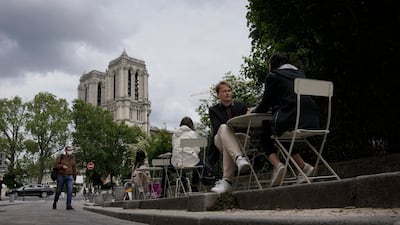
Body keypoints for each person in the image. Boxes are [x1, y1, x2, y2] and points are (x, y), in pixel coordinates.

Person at [251, 52, 320, 187]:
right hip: (312, 120)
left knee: (267, 133)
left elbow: (264, 105)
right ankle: (303, 167)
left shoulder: (274, 75)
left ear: (273, 64)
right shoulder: (301, 74)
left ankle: (278, 166)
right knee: (282, 134)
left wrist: (252, 110)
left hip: (291, 119)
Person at [209, 81, 251, 194]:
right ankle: (239, 158)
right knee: (223, 128)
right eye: (224, 91)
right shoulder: (213, 110)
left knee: (228, 145)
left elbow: (246, 125)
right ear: (218, 94)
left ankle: (227, 181)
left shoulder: (241, 106)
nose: (227, 93)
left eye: (229, 90)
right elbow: (217, 127)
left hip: (240, 139)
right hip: (220, 138)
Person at [171, 116, 213, 192]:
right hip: (190, 160)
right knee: (198, 164)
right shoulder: (192, 133)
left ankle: (183, 185)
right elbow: (197, 150)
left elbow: (174, 147)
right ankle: (194, 185)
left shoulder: (174, 135)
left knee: (182, 165)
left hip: (177, 163)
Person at [53, 145, 77, 210]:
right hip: (61, 176)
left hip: (70, 176)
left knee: (70, 191)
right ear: (66, 151)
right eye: (69, 150)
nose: (70, 151)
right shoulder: (61, 157)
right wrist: (62, 166)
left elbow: (74, 168)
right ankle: (55, 202)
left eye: (71, 150)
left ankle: (68, 205)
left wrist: (75, 178)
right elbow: (55, 165)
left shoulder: (73, 158)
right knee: (59, 191)